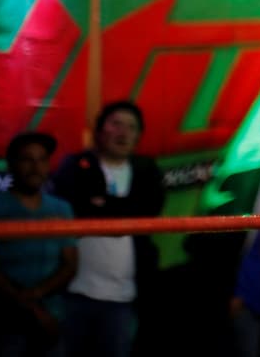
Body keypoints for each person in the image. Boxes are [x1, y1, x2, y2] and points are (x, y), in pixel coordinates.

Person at [51, 100, 164, 357]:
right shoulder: (76, 165)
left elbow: (150, 212)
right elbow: (73, 207)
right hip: (74, 292)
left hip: (124, 298)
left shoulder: (146, 170)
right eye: (116, 124)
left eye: (131, 127)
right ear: (100, 130)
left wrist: (102, 204)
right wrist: (123, 209)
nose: (123, 132)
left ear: (138, 135)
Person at [0, 131, 77, 357]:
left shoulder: (61, 208)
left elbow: (70, 264)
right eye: (27, 159)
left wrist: (37, 298)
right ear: (12, 165)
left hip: (53, 318)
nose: (36, 167)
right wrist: (32, 309)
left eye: (42, 160)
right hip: (7, 320)